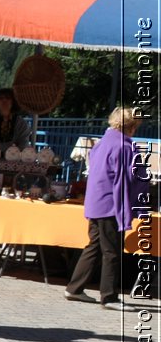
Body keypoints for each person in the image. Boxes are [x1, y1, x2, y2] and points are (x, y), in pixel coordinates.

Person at [66, 107, 148, 308]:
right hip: (110, 204)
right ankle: (109, 296)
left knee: (94, 246)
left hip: (95, 202)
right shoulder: (124, 147)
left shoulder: (102, 143)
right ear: (131, 126)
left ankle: (74, 288)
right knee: (112, 251)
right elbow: (127, 179)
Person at [0, 87, 33, 153]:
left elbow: (23, 146)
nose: (4, 101)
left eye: (8, 98)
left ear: (13, 102)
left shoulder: (21, 124)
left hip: (16, 161)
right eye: (0, 98)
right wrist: (13, 146)